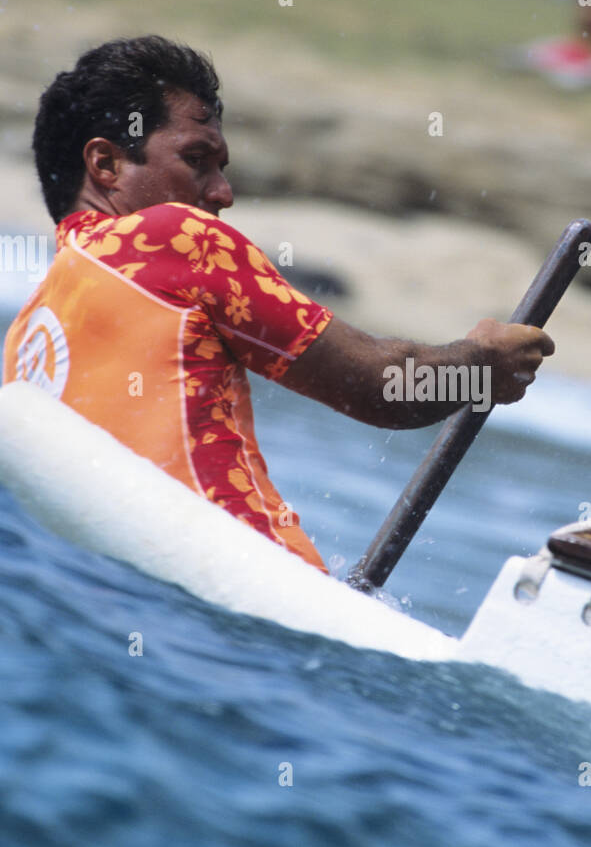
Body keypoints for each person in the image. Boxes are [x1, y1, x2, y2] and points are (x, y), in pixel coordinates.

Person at [3, 37, 554, 571]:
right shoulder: (172, 236)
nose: (222, 193)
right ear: (106, 164)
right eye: (196, 159)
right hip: (238, 598)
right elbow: (385, 389)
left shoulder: (25, 340)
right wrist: (483, 364)